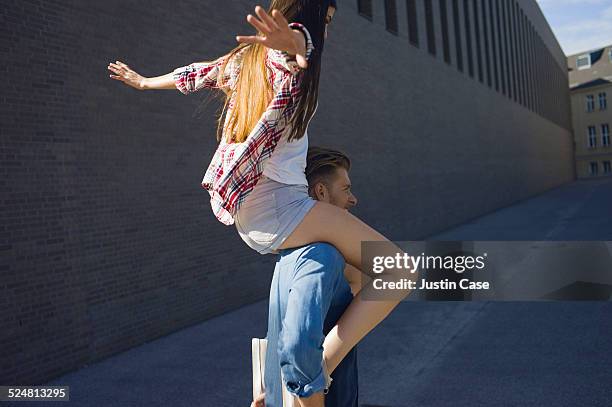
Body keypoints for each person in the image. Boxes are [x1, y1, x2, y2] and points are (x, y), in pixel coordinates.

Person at [108, 2, 417, 406]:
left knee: (355, 280)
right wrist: (297, 41)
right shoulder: (283, 56)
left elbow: (196, 73)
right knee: (398, 271)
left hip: (251, 214)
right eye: (326, 20)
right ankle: (314, 369)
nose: (327, 30)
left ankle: (281, 371)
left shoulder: (243, 61)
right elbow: (295, 52)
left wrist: (146, 83)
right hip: (284, 208)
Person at [252, 147, 365, 407]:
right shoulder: (322, 255)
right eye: (346, 189)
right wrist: (305, 392)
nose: (354, 199)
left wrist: (274, 387)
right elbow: (296, 344)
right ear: (322, 193)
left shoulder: (289, 256)